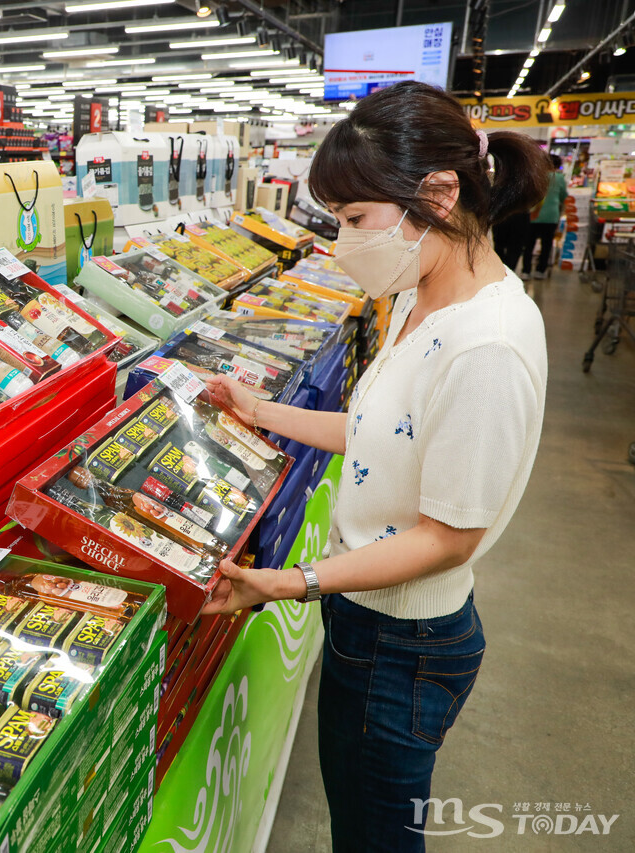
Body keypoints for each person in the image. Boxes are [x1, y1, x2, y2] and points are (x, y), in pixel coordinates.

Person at [200, 81, 549, 852]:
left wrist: (292, 582)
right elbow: (376, 430)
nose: (343, 241)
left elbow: (450, 535)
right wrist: (256, 409)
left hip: (404, 642)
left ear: (439, 192)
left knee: (375, 836)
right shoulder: (420, 296)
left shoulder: (486, 344)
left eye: (357, 218)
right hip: (371, 623)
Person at [522, 154, 569, 279]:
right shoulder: (559, 178)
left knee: (529, 245)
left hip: (533, 215)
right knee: (546, 245)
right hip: (551, 216)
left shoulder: (536, 176)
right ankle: (540, 271)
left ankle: (526, 271)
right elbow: (564, 197)